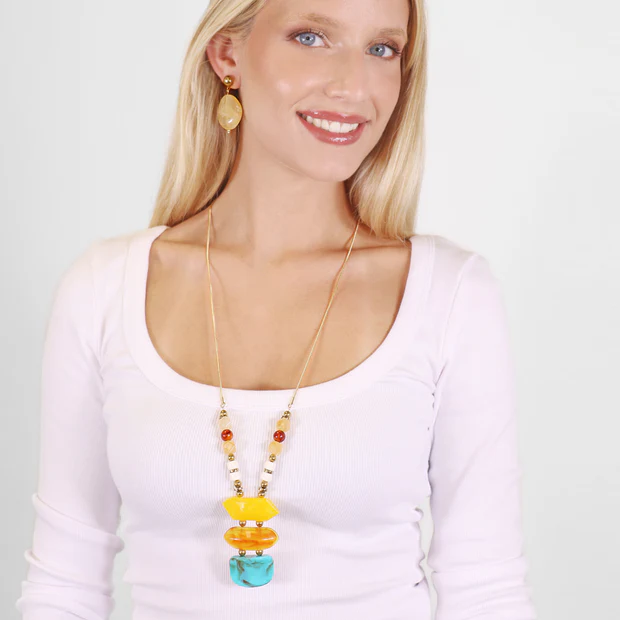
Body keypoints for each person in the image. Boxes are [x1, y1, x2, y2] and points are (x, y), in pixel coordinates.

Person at [16, 0, 537, 618]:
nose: (354, 86)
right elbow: (64, 584)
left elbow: (485, 590)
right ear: (227, 55)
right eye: (312, 37)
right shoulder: (103, 289)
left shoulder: (449, 295)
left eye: (382, 49)